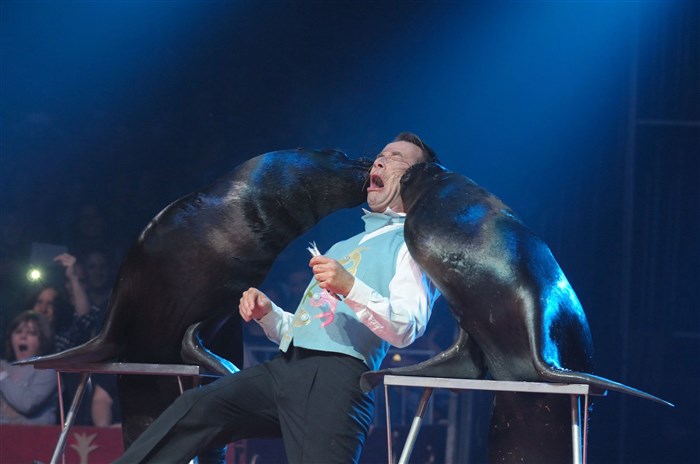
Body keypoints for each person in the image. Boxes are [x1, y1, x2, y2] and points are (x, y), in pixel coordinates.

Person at [115, 132, 441, 463]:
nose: (380, 161)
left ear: (417, 181)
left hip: (337, 381)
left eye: (396, 158)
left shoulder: (413, 246)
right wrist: (269, 314)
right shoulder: (343, 246)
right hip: (285, 369)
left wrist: (349, 286)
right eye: (381, 154)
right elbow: (309, 329)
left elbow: (406, 327)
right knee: (194, 409)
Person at [0, 310, 57, 424]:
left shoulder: (47, 370)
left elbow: (27, 404)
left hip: (34, 433)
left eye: (31, 333)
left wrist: (2, 375)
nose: (23, 336)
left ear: (42, 340)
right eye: (18, 331)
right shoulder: (3, 365)